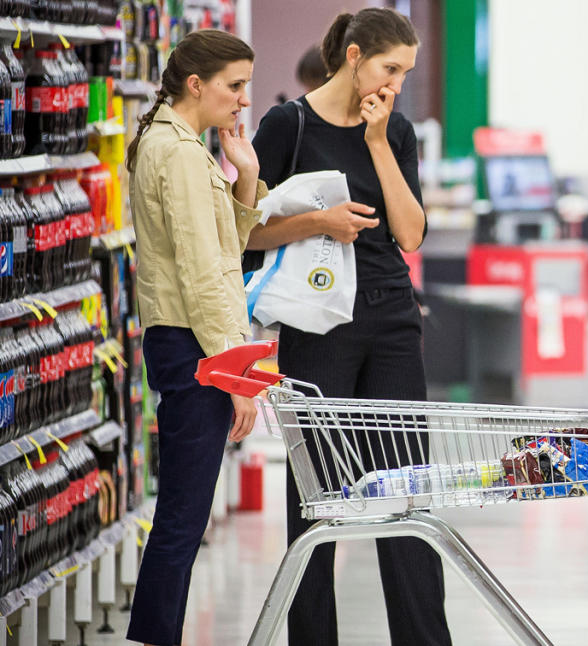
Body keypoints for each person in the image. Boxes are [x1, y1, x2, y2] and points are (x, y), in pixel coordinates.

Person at [248, 9, 448, 646]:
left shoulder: (397, 131)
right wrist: (318, 223)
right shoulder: (289, 125)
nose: (395, 83)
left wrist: (380, 142)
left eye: (405, 74)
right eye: (390, 69)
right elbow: (245, 231)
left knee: (405, 492)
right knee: (316, 498)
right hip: (317, 322)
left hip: (391, 314)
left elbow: (411, 235)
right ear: (355, 55)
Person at [123, 29, 266, 646]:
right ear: (195, 84)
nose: (240, 101)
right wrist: (237, 375)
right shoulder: (178, 152)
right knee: (183, 517)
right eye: (234, 87)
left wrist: (245, 179)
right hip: (195, 348)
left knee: (184, 512)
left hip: (186, 343)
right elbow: (205, 274)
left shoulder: (176, 143)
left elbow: (222, 250)